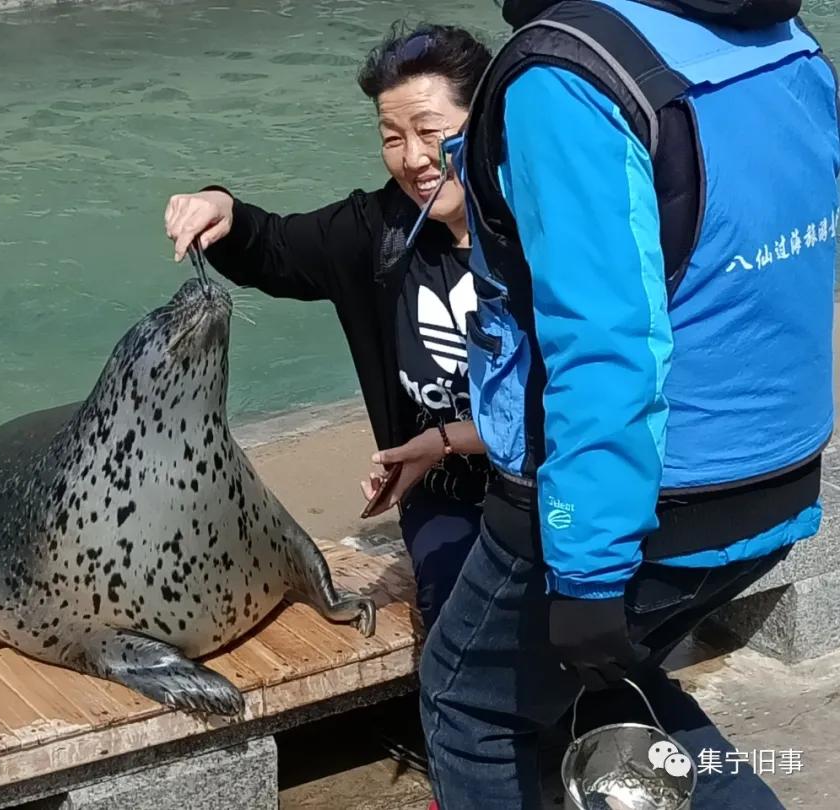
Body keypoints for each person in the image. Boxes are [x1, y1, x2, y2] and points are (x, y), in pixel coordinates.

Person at [418, 0, 840, 807]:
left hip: (645, 503)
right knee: (616, 681)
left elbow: (604, 340)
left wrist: (587, 569)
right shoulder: (778, 36)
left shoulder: (568, 74)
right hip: (780, 478)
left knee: (469, 705)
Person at [163, 23, 492, 634]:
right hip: (445, 493)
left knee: (576, 610)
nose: (413, 158)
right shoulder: (380, 232)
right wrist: (219, 206)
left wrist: (445, 439)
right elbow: (274, 247)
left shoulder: (548, 230)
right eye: (391, 137)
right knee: (462, 626)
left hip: (554, 478)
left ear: (489, 121)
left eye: (430, 132)